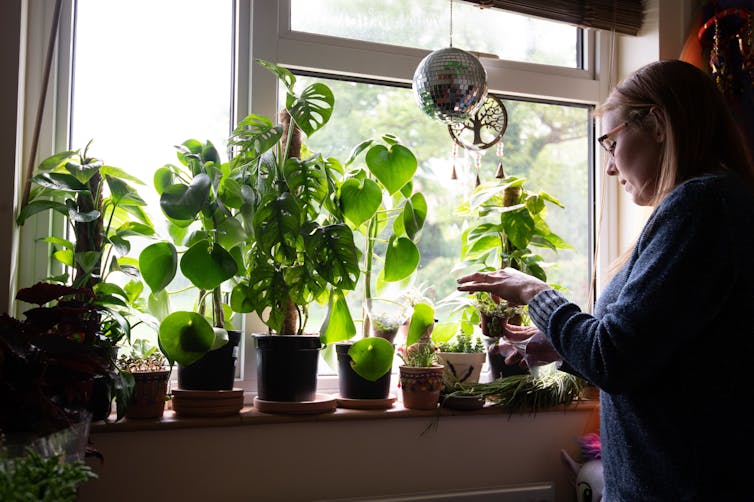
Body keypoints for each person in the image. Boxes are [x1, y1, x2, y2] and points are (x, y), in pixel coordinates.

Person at [457, 59, 754, 501]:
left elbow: (614, 358)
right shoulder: (714, 202)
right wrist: (559, 342)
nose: (610, 168)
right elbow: (657, 351)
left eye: (610, 144)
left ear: (655, 123)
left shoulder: (701, 206)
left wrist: (536, 293)